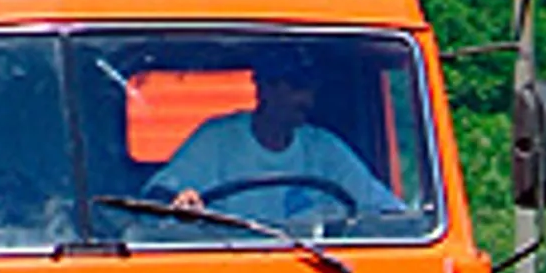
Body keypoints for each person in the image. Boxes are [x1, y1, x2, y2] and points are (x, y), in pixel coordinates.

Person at [153, 53, 407, 222]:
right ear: (264, 88)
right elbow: (159, 197)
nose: (306, 99)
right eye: (295, 86)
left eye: (311, 88)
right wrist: (181, 202)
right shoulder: (217, 140)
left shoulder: (324, 149)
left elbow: (384, 210)